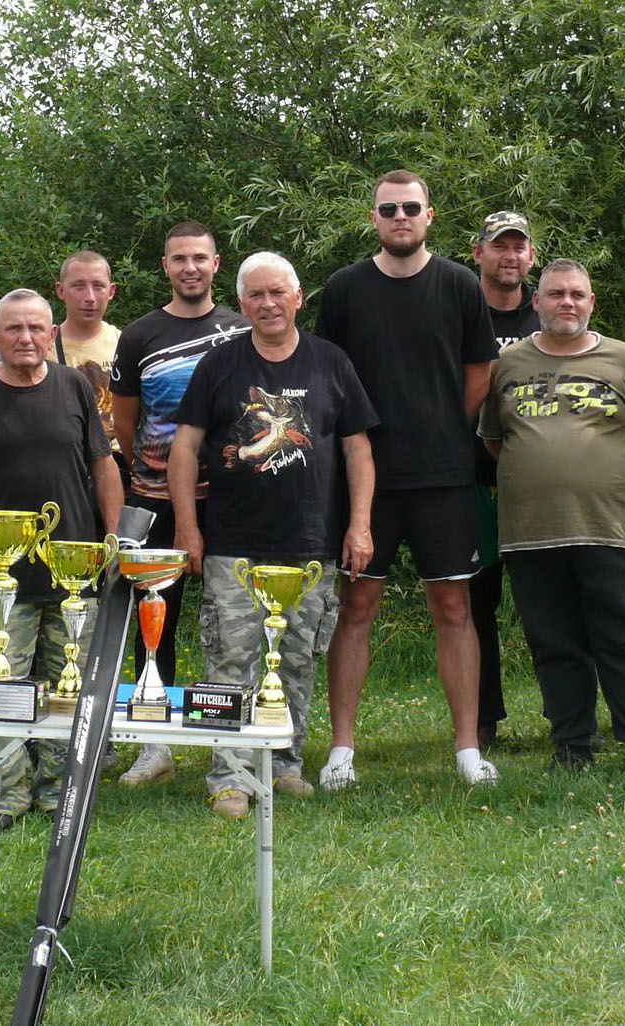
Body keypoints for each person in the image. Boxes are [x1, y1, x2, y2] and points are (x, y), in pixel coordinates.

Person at [169, 252, 378, 819]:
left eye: (277, 293)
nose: (268, 304)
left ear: (298, 297)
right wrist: (188, 527)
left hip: (310, 544)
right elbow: (185, 448)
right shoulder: (219, 365)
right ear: (242, 304)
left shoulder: (330, 363)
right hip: (234, 543)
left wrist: (359, 525)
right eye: (256, 295)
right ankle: (229, 776)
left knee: (296, 659)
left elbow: (358, 449)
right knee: (228, 659)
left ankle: (284, 763)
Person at [315, 169, 500, 788]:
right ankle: (342, 748)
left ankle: (468, 750)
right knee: (357, 604)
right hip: (363, 479)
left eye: (410, 207)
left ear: (429, 216)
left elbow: (480, 373)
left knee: (454, 606)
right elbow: (327, 377)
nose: (400, 216)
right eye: (388, 208)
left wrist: (445, 425)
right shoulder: (343, 289)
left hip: (445, 474)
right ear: (374, 217)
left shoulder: (458, 285)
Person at [0, 288, 123, 828]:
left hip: (72, 572)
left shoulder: (73, 387)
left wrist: (114, 542)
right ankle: (4, 792)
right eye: (14, 329)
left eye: (37, 328)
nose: (26, 338)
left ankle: (59, 789)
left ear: (51, 334)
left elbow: (103, 465)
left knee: (69, 682)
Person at [478, 260, 625, 781]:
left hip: (612, 528)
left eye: (577, 295)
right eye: (556, 294)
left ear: (591, 303)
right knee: (555, 644)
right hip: (531, 533)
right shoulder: (509, 364)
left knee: (624, 642)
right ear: (535, 302)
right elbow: (495, 440)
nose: (567, 302)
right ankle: (571, 745)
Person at [109, 221, 252, 787]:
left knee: (230, 624)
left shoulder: (242, 331)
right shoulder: (139, 335)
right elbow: (124, 423)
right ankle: (154, 743)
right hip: (154, 499)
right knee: (154, 622)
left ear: (217, 264)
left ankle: (229, 739)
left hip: (230, 499)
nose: (189, 267)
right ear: (164, 266)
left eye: (199, 258)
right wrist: (156, 473)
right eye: (178, 259)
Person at [468, 210, 541, 751]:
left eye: (519, 247)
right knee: (475, 605)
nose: (509, 256)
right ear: (479, 253)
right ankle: (481, 718)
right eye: (499, 246)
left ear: (530, 257)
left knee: (553, 602)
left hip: (542, 482)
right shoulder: (457, 309)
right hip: (473, 479)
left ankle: (570, 715)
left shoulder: (552, 309)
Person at [51, 249, 126, 483]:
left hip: (120, 468)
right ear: (60, 290)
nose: (90, 297)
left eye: (98, 286)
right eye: (79, 286)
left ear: (111, 291)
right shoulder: (43, 349)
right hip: (64, 467)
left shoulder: (125, 344)